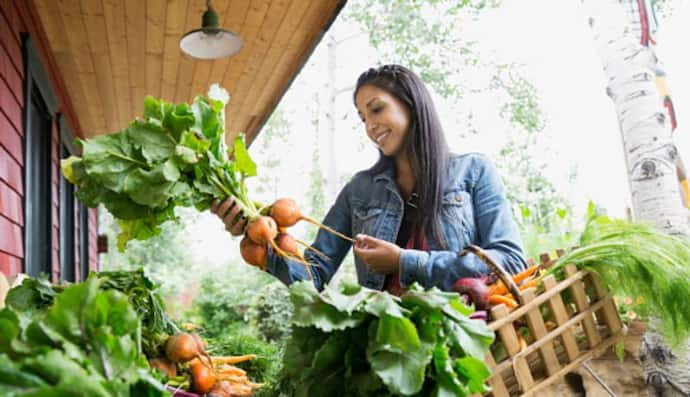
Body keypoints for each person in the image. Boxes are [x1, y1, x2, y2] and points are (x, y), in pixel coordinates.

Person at [212, 64, 527, 294]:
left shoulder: (473, 171)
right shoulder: (358, 192)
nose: (370, 126)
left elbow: (511, 262)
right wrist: (263, 246)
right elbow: (315, 274)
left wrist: (406, 263)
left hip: (468, 347)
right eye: (363, 117)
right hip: (387, 353)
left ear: (412, 106)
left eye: (377, 110)